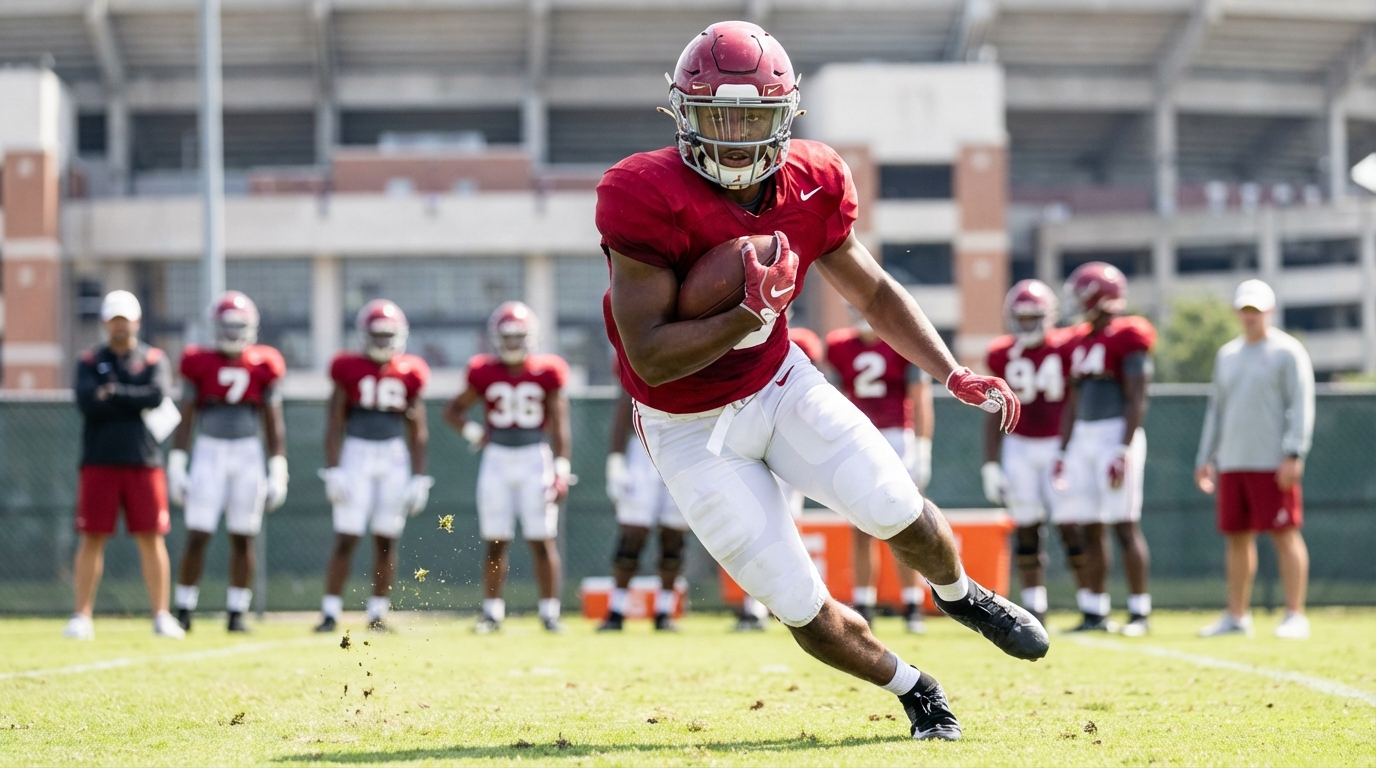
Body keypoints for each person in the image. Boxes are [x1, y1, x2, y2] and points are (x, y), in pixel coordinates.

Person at [597, 20, 1046, 741]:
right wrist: (747, 312)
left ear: (786, 116)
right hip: (688, 428)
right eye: (718, 117)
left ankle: (961, 595)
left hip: (779, 385)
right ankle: (917, 689)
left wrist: (949, 368)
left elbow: (872, 291)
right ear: (682, 114)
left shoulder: (814, 179)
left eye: (753, 119)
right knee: (798, 603)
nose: (735, 138)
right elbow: (648, 357)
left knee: (895, 504)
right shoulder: (642, 191)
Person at [1195, 279, 1314, 640]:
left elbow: (1302, 404)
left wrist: (1294, 452)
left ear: (1270, 311)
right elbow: (1216, 410)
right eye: (1245, 309)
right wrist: (1205, 457)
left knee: (1285, 535)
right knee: (1236, 538)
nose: (1250, 316)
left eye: (1257, 310)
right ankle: (1236, 616)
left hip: (1272, 464)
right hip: (1232, 463)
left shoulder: (1288, 351)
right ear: (1236, 312)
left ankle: (1295, 614)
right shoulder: (1227, 355)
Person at [445, 302, 572, 634]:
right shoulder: (484, 371)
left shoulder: (547, 371)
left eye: (519, 336)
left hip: (534, 458)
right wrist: (477, 434)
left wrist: (561, 470)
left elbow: (560, 425)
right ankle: (492, 613)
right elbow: (453, 410)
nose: (513, 343)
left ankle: (549, 613)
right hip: (497, 459)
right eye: (508, 337)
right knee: (496, 539)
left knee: (542, 538)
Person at [65, 290, 184, 640]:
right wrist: (132, 399)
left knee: (152, 537)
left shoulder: (153, 359)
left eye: (125, 319)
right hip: (99, 461)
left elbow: (156, 395)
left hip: (143, 462)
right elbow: (88, 403)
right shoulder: (89, 360)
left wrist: (114, 392)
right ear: (106, 322)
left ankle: (161, 614)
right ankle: (82, 615)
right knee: (92, 536)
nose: (120, 326)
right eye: (114, 320)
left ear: (137, 321)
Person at [170, 291, 289, 633]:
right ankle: (183, 609)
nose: (233, 333)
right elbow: (186, 416)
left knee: (243, 535)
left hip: (248, 453)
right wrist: (177, 463)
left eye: (239, 326)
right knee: (198, 533)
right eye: (228, 326)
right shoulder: (198, 361)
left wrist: (278, 467)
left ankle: (237, 612)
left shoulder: (264, 364)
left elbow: (273, 422)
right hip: (209, 450)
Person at [316, 299, 432, 633]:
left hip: (393, 456)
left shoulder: (410, 371)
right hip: (357, 452)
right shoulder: (348, 367)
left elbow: (418, 429)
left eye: (387, 334)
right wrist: (334, 468)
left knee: (387, 537)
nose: (382, 341)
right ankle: (330, 611)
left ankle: (377, 613)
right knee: (347, 535)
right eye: (377, 334)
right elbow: (334, 423)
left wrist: (419, 476)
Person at [1054, 262, 1155, 636]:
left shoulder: (1128, 336)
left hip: (1115, 435)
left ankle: (1139, 612)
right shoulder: (1078, 341)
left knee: (1124, 525)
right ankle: (1094, 611)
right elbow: (1073, 401)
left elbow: (1137, 398)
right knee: (1089, 526)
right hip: (1083, 436)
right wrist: (1063, 450)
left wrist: (1123, 448)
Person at [982, 280, 1087, 626]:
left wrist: (1070, 447)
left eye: (1034, 317)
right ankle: (1034, 608)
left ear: (1049, 316)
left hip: (1059, 444)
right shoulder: (1002, 353)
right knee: (1026, 526)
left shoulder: (1067, 346)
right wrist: (990, 463)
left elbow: (1075, 397)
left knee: (1071, 525)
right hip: (1019, 444)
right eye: (1022, 317)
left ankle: (1090, 604)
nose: (1027, 324)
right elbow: (994, 409)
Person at [825, 319, 933, 634]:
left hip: (898, 437)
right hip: (858, 437)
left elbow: (920, 397)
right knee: (861, 525)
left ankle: (912, 604)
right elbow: (832, 399)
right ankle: (864, 605)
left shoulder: (900, 338)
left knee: (906, 524)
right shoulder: (839, 345)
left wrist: (922, 448)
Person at [600, 381, 687, 632]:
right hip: (643, 448)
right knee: (632, 534)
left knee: (674, 535)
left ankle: (664, 611)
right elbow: (623, 405)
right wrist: (615, 459)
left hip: (684, 448)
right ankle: (616, 610)